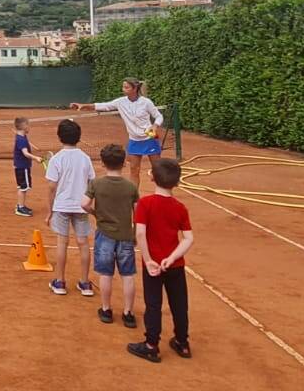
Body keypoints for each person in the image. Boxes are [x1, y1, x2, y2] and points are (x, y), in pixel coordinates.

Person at [128, 158, 195, 363]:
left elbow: (140, 234)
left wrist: (149, 260)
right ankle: (182, 343)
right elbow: (189, 239)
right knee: (179, 304)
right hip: (175, 265)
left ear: (152, 178)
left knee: (153, 305)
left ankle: (151, 346)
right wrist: (173, 257)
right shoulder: (180, 207)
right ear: (177, 182)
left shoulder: (145, 204)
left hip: (153, 265)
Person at [70, 78, 165, 190]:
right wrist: (83, 105)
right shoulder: (120, 102)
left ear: (135, 89)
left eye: (126, 87)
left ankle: (162, 193)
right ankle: (133, 199)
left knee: (158, 169)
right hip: (134, 141)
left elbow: (159, 116)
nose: (123, 89)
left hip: (150, 139)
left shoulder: (146, 102)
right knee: (134, 170)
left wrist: (155, 126)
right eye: (123, 87)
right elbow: (104, 106)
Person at [84, 143, 139, 328]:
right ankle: (128, 313)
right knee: (128, 275)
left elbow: (84, 204)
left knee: (105, 274)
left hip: (104, 235)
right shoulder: (131, 187)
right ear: (123, 163)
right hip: (125, 236)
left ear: (102, 163)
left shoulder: (96, 183)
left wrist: (95, 213)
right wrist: (135, 232)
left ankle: (106, 310)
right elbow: (137, 213)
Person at [44, 118, 95, 297]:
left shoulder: (57, 159)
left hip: (62, 206)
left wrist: (50, 211)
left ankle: (59, 282)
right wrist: (89, 204)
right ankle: (85, 283)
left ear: (60, 137)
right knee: (83, 243)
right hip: (81, 206)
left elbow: (51, 187)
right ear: (78, 137)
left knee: (62, 243)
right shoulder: (86, 158)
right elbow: (91, 183)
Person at [12, 117, 41, 217]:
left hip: (19, 166)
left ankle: (21, 205)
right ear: (24, 127)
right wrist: (36, 158)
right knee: (23, 188)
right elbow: (25, 153)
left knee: (22, 187)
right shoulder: (22, 140)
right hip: (23, 167)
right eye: (28, 125)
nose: (29, 127)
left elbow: (25, 145)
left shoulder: (20, 136)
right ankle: (20, 208)